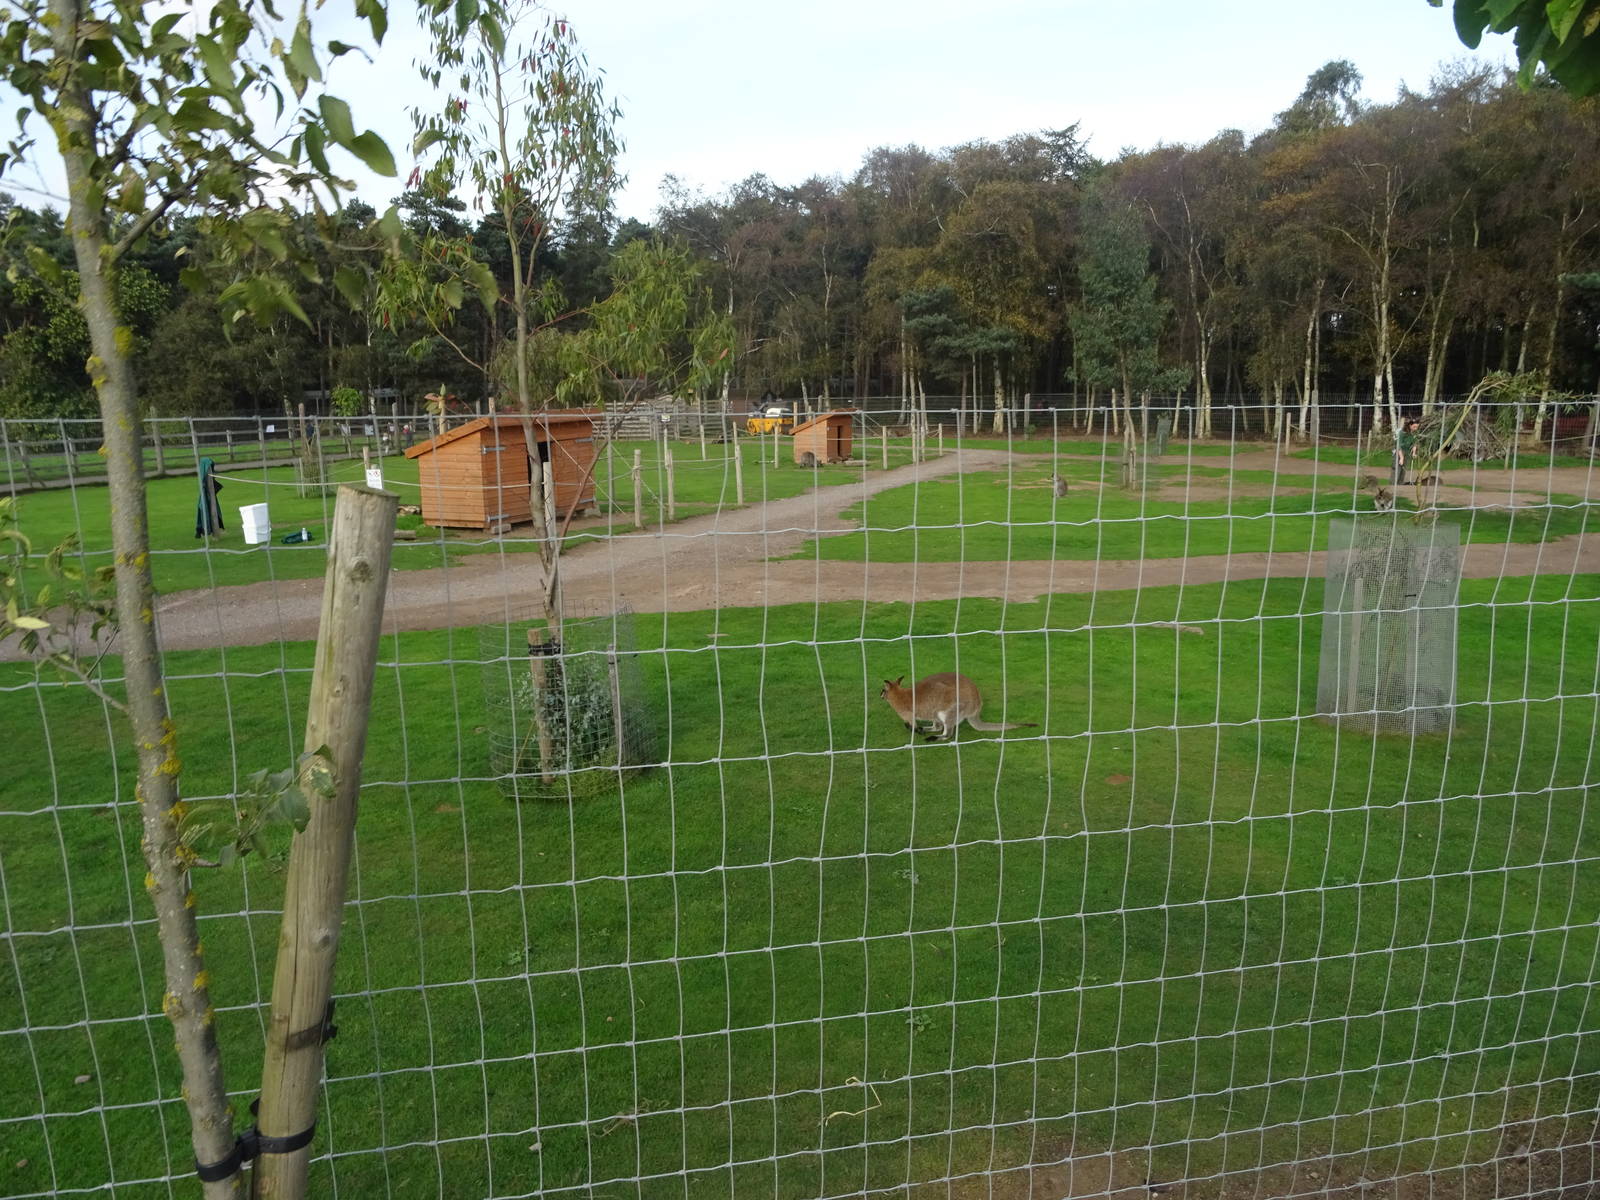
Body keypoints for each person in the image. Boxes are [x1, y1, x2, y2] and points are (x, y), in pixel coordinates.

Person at [1394, 418, 1419, 485]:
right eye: (1414, 427)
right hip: (1399, 452)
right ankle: (1393, 485)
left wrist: (1414, 453)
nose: (1415, 428)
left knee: (1403, 470)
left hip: (1406, 452)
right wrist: (1401, 458)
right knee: (1397, 469)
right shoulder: (1402, 433)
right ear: (1410, 426)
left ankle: (1400, 484)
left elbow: (1414, 443)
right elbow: (1398, 446)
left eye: (1417, 427)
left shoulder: (1414, 433)